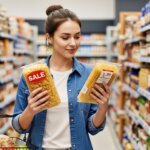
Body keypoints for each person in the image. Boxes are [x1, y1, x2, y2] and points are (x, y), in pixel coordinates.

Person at [12, 5, 111, 150]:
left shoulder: (89, 74)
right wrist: (30, 111)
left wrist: (102, 108)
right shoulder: (31, 74)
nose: (73, 43)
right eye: (65, 37)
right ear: (49, 38)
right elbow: (19, 126)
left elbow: (92, 127)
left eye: (77, 36)